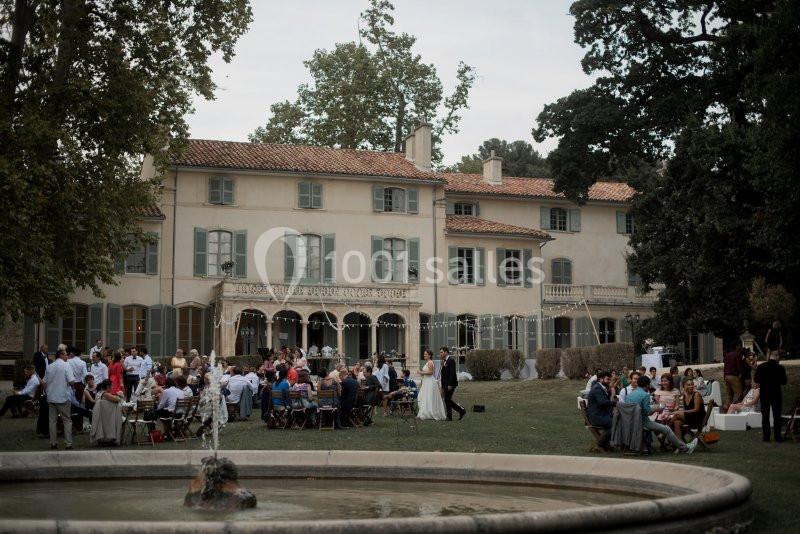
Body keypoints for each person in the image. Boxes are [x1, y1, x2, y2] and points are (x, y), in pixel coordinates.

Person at [624, 375, 697, 454]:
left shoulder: (630, 395)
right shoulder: (645, 395)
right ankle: (685, 448)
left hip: (630, 422)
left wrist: (653, 408)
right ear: (647, 385)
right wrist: (657, 409)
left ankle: (676, 445)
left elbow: (638, 409)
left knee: (662, 423)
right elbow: (648, 413)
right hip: (642, 422)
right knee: (667, 429)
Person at [44, 349, 76, 450]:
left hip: (51, 396)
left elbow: (44, 382)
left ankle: (53, 443)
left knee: (52, 421)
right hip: (63, 396)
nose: (67, 357)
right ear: (61, 355)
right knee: (67, 420)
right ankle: (68, 443)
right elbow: (71, 381)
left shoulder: (50, 366)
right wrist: (71, 386)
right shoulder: (66, 365)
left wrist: (47, 392)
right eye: (66, 355)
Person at [754, 350, 788, 442]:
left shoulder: (761, 367)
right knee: (777, 416)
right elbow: (784, 382)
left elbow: (756, 379)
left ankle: (766, 437)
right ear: (776, 356)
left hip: (765, 393)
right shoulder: (780, 368)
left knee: (765, 415)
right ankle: (777, 437)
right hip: (776, 393)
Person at [586, 370, 617, 450]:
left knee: (618, 419)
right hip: (597, 417)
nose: (609, 381)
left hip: (600, 415)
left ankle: (606, 443)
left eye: (610, 379)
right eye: (608, 379)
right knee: (616, 423)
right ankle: (600, 443)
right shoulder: (597, 389)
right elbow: (602, 402)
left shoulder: (600, 388)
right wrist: (615, 403)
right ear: (601, 379)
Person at [89, 379, 124, 446]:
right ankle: (117, 439)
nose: (113, 387)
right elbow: (117, 399)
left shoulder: (99, 393)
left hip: (103, 416)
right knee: (123, 420)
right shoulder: (105, 394)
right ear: (108, 387)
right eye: (112, 386)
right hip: (106, 417)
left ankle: (109, 439)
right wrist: (120, 394)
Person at [417, 349, 446, 420]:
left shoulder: (430, 362)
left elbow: (430, 372)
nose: (424, 355)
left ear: (429, 355)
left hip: (430, 382)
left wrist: (421, 372)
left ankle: (429, 412)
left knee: (428, 396)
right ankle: (424, 412)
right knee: (422, 396)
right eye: (424, 354)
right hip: (426, 381)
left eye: (426, 354)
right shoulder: (427, 362)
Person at [440, 346, 465, 421]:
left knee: (447, 399)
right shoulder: (444, 361)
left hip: (450, 384)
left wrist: (450, 384)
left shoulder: (451, 360)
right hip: (445, 384)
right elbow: (443, 374)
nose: (440, 354)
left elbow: (452, 373)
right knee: (447, 400)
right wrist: (442, 385)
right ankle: (454, 414)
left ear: (446, 352)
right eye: (440, 352)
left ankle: (459, 411)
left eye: (441, 352)